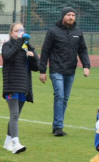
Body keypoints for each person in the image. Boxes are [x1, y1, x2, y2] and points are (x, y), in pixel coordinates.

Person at [39, 7, 91, 136]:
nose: (71, 17)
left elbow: (83, 50)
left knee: (65, 99)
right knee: (59, 96)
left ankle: (58, 125)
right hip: (56, 69)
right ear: (63, 16)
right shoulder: (53, 31)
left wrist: (86, 65)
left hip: (70, 70)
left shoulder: (78, 32)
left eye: (73, 15)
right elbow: (45, 51)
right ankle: (58, 126)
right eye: (69, 15)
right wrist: (42, 70)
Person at [0, 22, 39, 153]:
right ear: (11, 33)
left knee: (15, 116)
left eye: (21, 30)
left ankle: (7, 141)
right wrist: (20, 42)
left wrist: (32, 55)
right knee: (14, 114)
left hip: (23, 85)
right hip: (12, 85)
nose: (19, 33)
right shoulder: (8, 45)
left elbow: (37, 67)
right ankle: (15, 143)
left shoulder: (26, 46)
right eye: (16, 31)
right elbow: (8, 56)